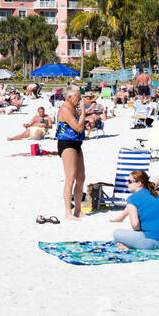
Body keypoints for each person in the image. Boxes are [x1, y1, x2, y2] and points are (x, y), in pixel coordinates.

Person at [110, 169, 159, 249]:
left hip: (155, 241)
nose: (127, 184)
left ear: (139, 183)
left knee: (116, 233)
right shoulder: (154, 194)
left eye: (129, 181)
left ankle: (130, 246)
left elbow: (136, 225)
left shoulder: (132, 199)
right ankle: (131, 245)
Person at [56, 85, 86, 221]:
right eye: (77, 97)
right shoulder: (65, 109)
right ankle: (68, 212)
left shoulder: (73, 108)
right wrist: (84, 111)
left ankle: (78, 210)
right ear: (69, 97)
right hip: (66, 143)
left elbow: (80, 119)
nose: (79, 99)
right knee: (71, 177)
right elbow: (79, 127)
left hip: (76, 143)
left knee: (81, 178)